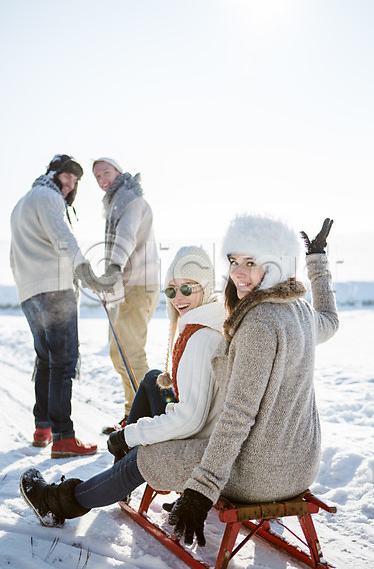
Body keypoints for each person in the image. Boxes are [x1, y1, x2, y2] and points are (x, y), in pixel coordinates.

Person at [19, 217, 338, 549]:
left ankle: (60, 502)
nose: (237, 273)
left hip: (258, 472)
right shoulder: (298, 310)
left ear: (274, 265)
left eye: (250, 263)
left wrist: (201, 491)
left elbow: (237, 416)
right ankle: (118, 468)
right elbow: (330, 320)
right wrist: (317, 261)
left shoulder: (257, 324)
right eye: (233, 261)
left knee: (150, 456)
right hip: (301, 466)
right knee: (152, 388)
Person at [19, 245, 226, 526]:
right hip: (204, 428)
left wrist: (131, 435)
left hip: (198, 444)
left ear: (206, 286)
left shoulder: (202, 338)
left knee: (143, 453)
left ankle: (60, 503)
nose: (178, 298)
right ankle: (120, 473)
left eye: (187, 289)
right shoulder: (206, 320)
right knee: (153, 379)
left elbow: (190, 421)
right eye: (171, 291)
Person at [10, 154, 107, 458]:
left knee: (46, 359)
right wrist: (83, 268)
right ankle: (64, 437)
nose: (70, 185)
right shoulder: (48, 197)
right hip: (55, 289)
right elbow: (61, 235)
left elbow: (14, 255)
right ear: (53, 174)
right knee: (64, 361)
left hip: (30, 292)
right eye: (68, 177)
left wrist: (26, 289)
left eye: (75, 181)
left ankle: (43, 428)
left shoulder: (22, 204)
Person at [92, 158, 160, 433]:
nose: (102, 179)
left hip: (138, 285)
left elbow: (126, 237)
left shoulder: (130, 200)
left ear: (119, 172)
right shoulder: (116, 202)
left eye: (106, 172)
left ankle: (151, 420)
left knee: (130, 353)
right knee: (120, 353)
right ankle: (133, 414)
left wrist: (113, 268)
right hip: (126, 286)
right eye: (97, 176)